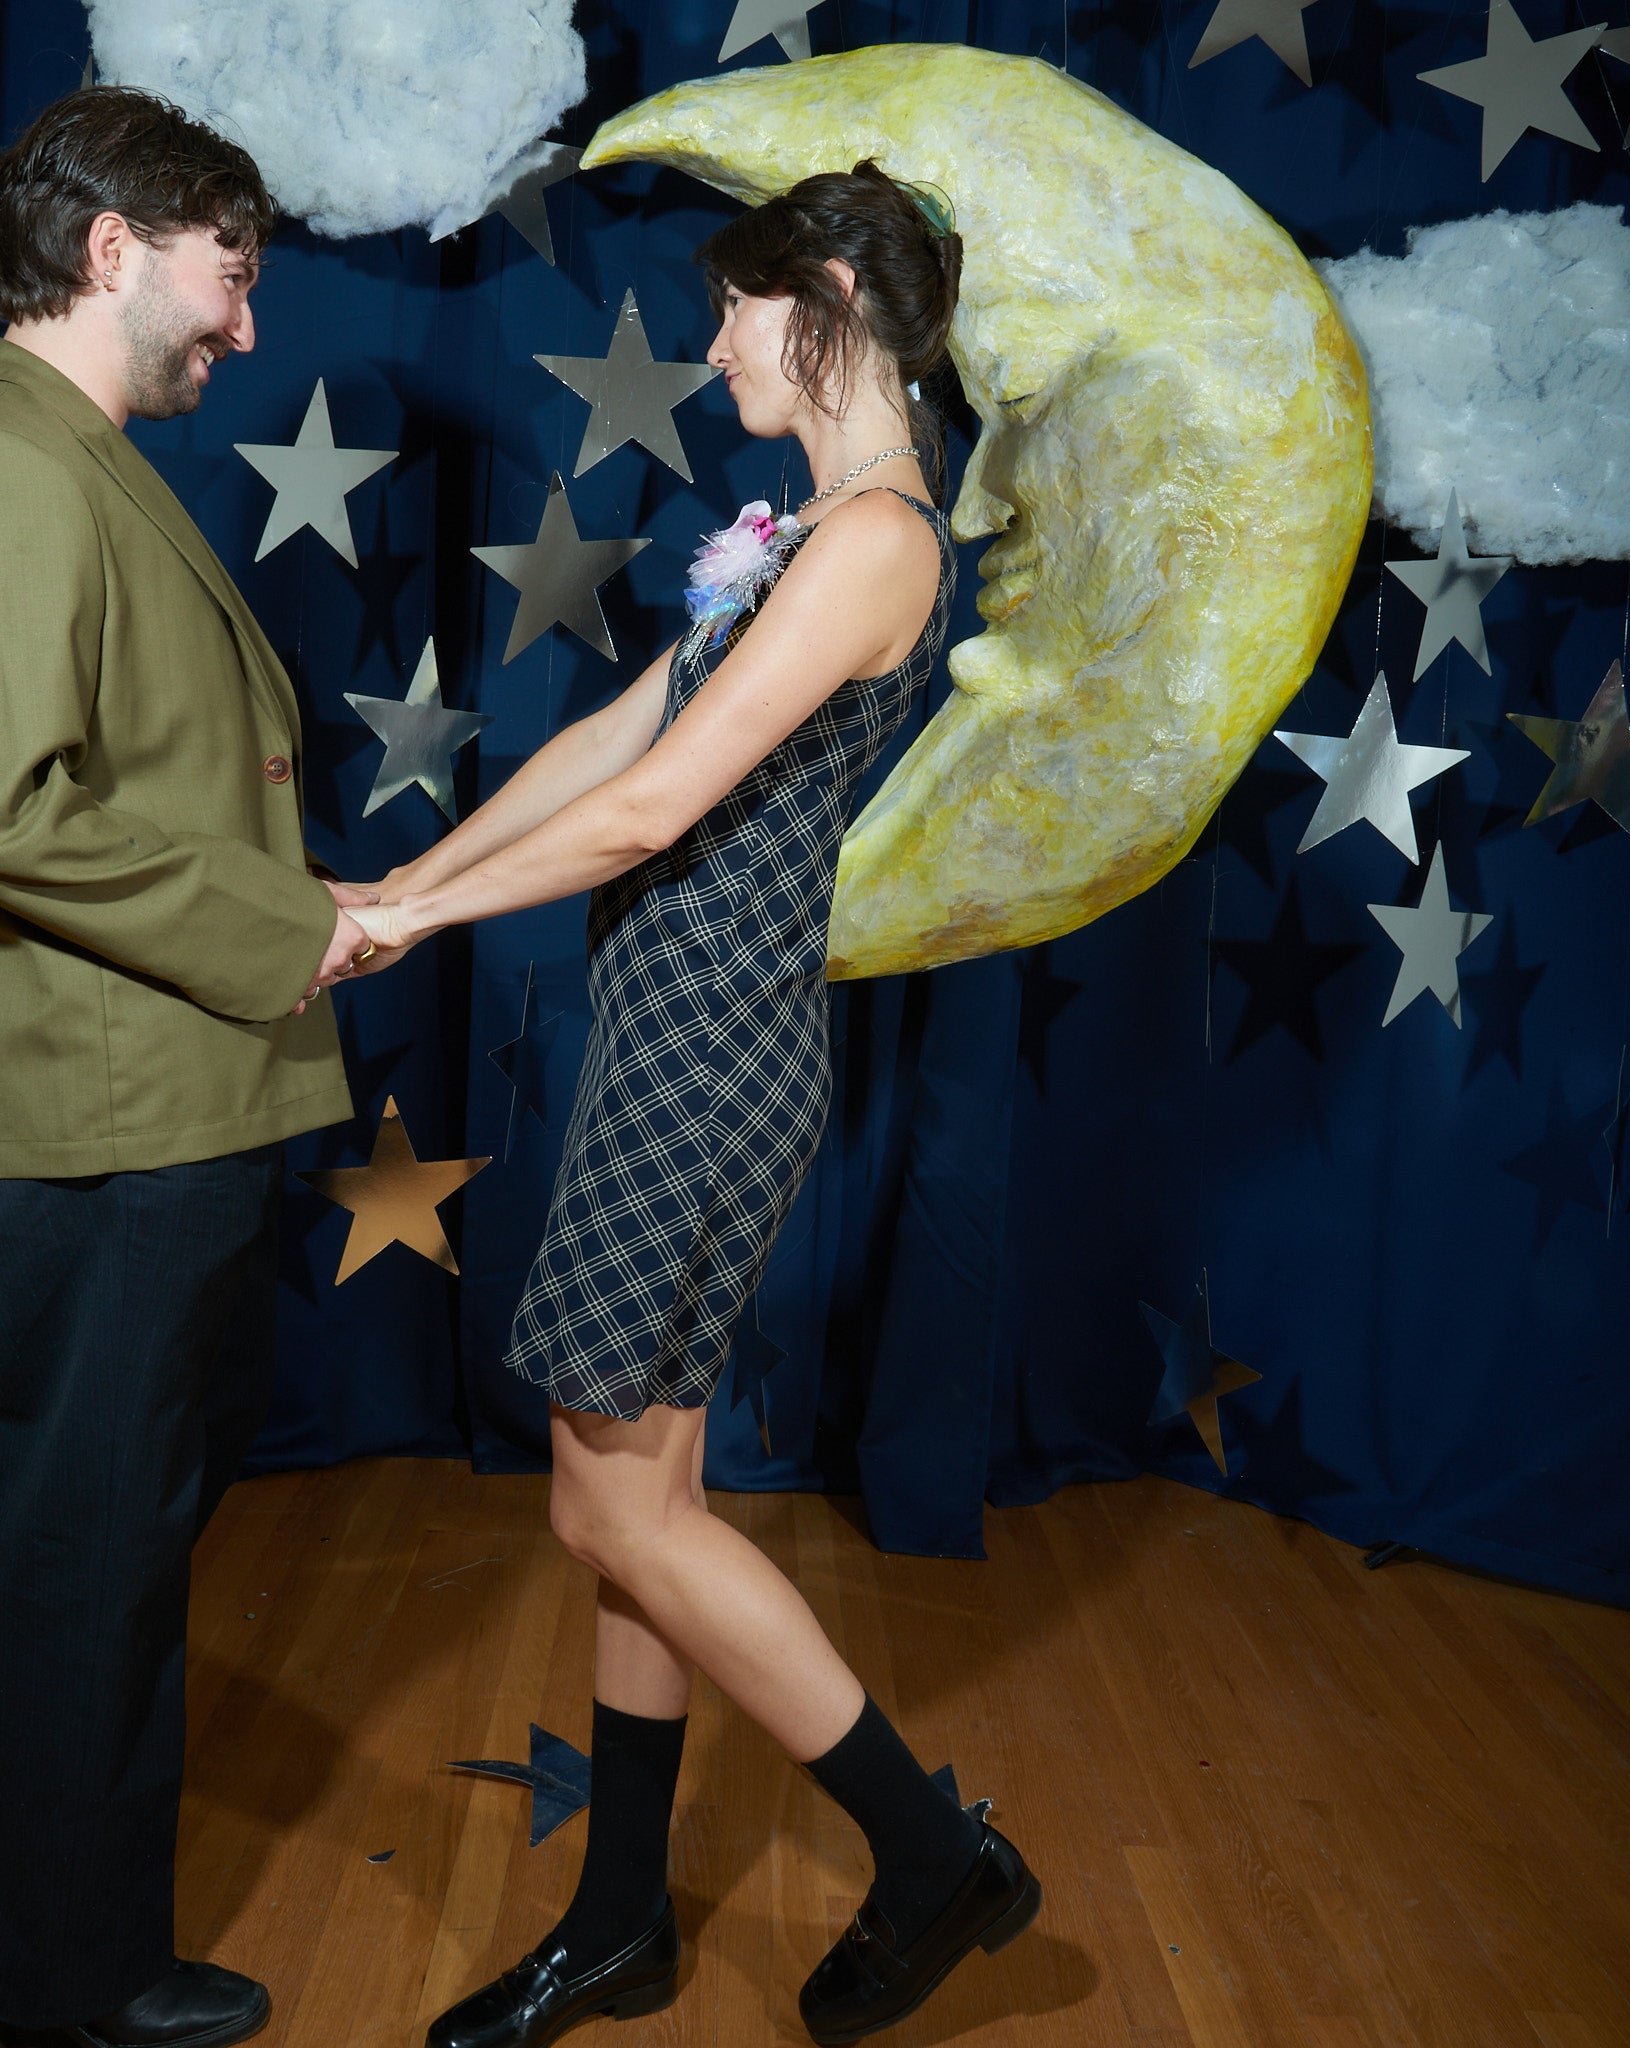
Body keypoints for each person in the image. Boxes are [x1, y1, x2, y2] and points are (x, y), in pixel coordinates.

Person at [351, 162, 1041, 2048]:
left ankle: (933, 1855)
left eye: (739, 303)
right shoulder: (810, 530)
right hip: (683, 1038)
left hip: (709, 1059)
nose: (716, 338)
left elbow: (653, 812)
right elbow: (614, 737)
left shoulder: (877, 543)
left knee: (612, 1510)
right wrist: (396, 886)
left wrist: (411, 923)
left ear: (830, 302)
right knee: (639, 1497)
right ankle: (622, 1925)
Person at [0, 87, 374, 2048]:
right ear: (111, 247)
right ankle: (71, 1982)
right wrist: (282, 924)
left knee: (86, 1548)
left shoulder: (68, 451)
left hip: (143, 1107)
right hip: (113, 1123)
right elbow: (11, 809)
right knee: (92, 1565)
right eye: (229, 276)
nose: (245, 325)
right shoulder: (23, 460)